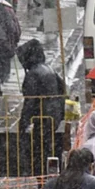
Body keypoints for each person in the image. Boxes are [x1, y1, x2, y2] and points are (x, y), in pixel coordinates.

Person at [17, 39, 67, 173]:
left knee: (39, 154)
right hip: (53, 118)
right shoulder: (48, 69)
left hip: (42, 120)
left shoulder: (33, 74)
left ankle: (42, 179)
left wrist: (24, 123)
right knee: (49, 151)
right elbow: (62, 91)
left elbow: (30, 102)